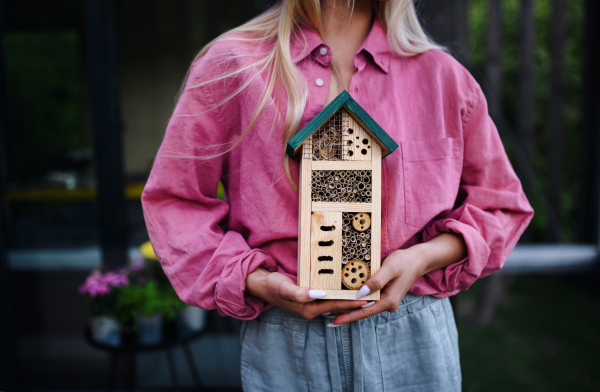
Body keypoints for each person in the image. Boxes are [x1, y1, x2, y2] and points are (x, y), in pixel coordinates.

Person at [141, 0, 534, 390]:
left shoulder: (443, 78)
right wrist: (257, 281)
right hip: (285, 344)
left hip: (414, 341)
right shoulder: (232, 66)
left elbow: (499, 204)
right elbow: (176, 203)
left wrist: (421, 257)